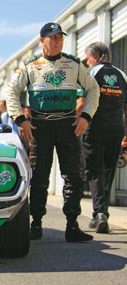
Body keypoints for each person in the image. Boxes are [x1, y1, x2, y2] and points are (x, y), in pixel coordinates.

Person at [6, 22, 100, 242]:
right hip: (40, 128)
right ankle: (36, 223)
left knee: (74, 177)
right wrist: (20, 119)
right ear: (42, 41)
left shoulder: (74, 63)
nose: (57, 41)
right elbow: (12, 91)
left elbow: (93, 88)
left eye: (60, 37)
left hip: (68, 127)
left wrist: (86, 116)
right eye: (53, 37)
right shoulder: (30, 65)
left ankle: (72, 225)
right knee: (39, 177)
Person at [82, 42, 127, 233]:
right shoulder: (123, 75)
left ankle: (99, 213)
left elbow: (81, 101)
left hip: (95, 129)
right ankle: (103, 214)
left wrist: (75, 124)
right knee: (108, 171)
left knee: (94, 171)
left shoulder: (91, 73)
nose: (87, 62)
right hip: (116, 130)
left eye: (88, 58)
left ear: (97, 56)